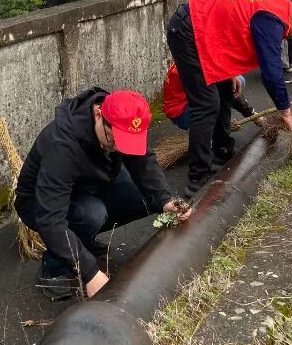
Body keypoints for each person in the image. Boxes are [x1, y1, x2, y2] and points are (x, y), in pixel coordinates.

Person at [15, 89, 193, 300]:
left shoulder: (122, 119)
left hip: (89, 183)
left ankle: (82, 240)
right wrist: (90, 273)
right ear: (99, 115)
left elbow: (142, 160)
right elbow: (50, 218)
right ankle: (54, 269)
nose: (119, 148)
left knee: (146, 198)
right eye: (114, 140)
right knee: (92, 214)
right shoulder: (62, 147)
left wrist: (164, 201)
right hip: (40, 203)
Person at [166, 0, 292, 199]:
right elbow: (271, 70)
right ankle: (198, 177)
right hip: (189, 31)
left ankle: (222, 151)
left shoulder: (277, 8)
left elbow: (231, 24)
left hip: (206, 31)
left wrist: (228, 69)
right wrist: (284, 109)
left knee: (225, 90)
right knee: (206, 104)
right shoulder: (272, 19)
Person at [162, 63, 264, 131]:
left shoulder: (190, 55)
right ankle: (212, 135)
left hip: (185, 104)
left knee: (238, 80)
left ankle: (216, 127)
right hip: (182, 115)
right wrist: (251, 113)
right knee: (228, 86)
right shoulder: (195, 65)